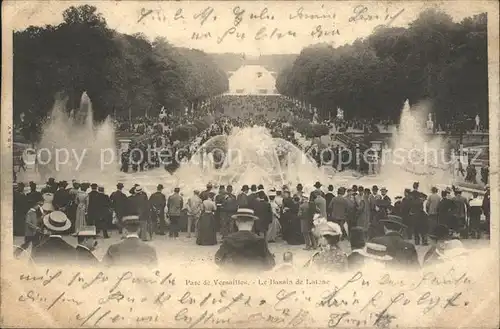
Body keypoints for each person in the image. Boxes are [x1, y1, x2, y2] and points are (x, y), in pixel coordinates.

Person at [14, 193, 45, 258]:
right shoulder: (30, 212)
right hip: (30, 232)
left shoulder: (34, 212)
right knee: (26, 245)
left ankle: (33, 257)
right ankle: (15, 254)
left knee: (35, 245)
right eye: (38, 205)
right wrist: (36, 227)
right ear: (34, 205)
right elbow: (28, 222)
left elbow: (35, 221)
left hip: (34, 232)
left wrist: (41, 218)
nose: (39, 207)